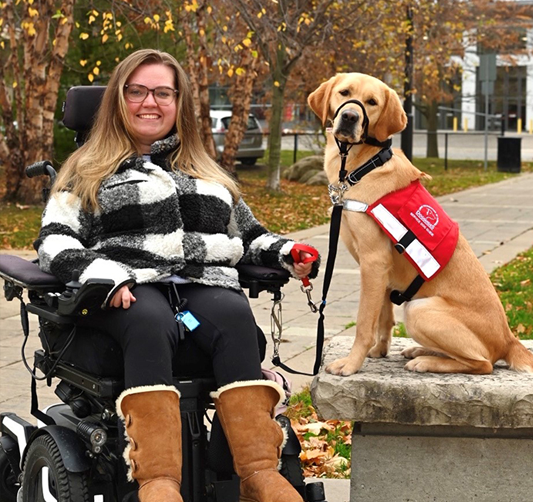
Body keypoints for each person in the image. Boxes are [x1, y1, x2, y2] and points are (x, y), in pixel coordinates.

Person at [36, 49, 319, 502]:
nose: (151, 102)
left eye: (163, 93)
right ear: (118, 101)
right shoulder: (89, 171)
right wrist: (103, 274)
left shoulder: (205, 173)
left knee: (232, 314)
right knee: (152, 321)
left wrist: (289, 251)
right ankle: (159, 483)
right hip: (126, 290)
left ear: (178, 103)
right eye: (138, 92)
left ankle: (256, 475)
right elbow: (54, 242)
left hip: (203, 288)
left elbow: (249, 235)